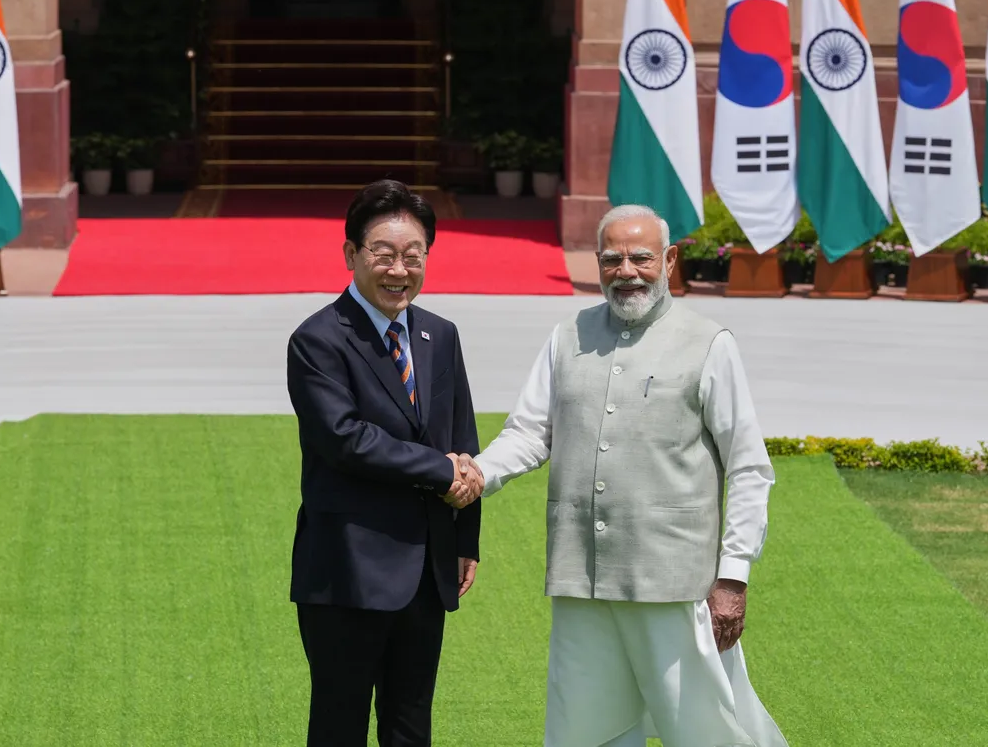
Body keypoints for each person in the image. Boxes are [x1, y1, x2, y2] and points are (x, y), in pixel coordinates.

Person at [459, 204, 789, 747]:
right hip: (580, 578)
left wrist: (733, 575)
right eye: (613, 260)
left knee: (707, 729)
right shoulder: (568, 336)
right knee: (583, 731)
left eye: (641, 258)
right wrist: (476, 474)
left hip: (674, 580)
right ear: (597, 263)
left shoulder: (709, 342)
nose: (627, 271)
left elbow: (750, 466)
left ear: (670, 260)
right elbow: (528, 432)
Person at [286, 179, 485, 747]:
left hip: (426, 569)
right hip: (348, 571)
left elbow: (461, 438)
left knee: (410, 723)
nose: (399, 270)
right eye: (383, 254)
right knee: (338, 724)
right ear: (351, 255)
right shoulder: (318, 339)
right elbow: (344, 438)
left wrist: (465, 538)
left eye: (413, 255)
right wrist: (439, 471)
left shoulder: (440, 335)